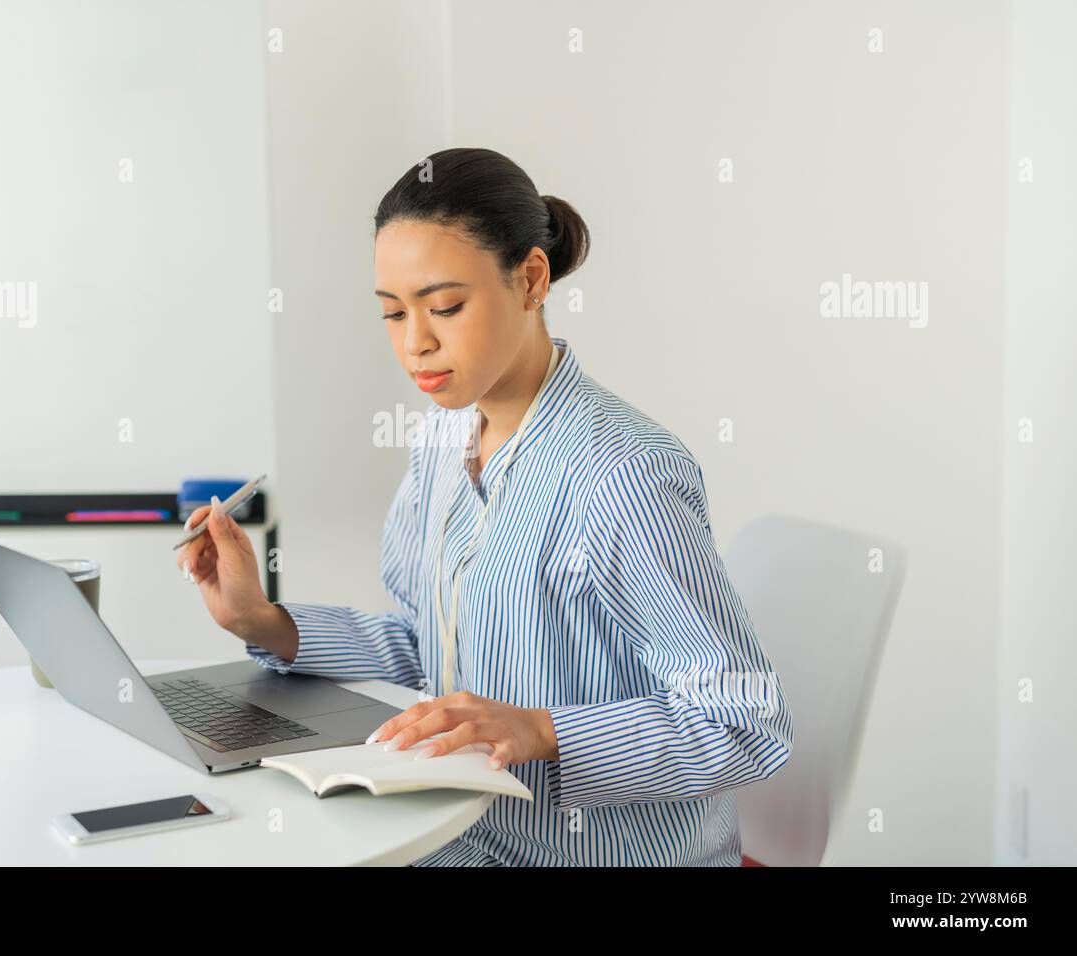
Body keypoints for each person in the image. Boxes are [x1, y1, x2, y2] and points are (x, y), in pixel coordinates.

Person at [176, 147, 793, 866]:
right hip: (456, 836)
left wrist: (542, 730)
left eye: (445, 307)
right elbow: (427, 649)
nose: (416, 344)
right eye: (392, 314)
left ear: (531, 279)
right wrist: (266, 623)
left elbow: (747, 722)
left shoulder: (624, 475)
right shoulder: (444, 434)